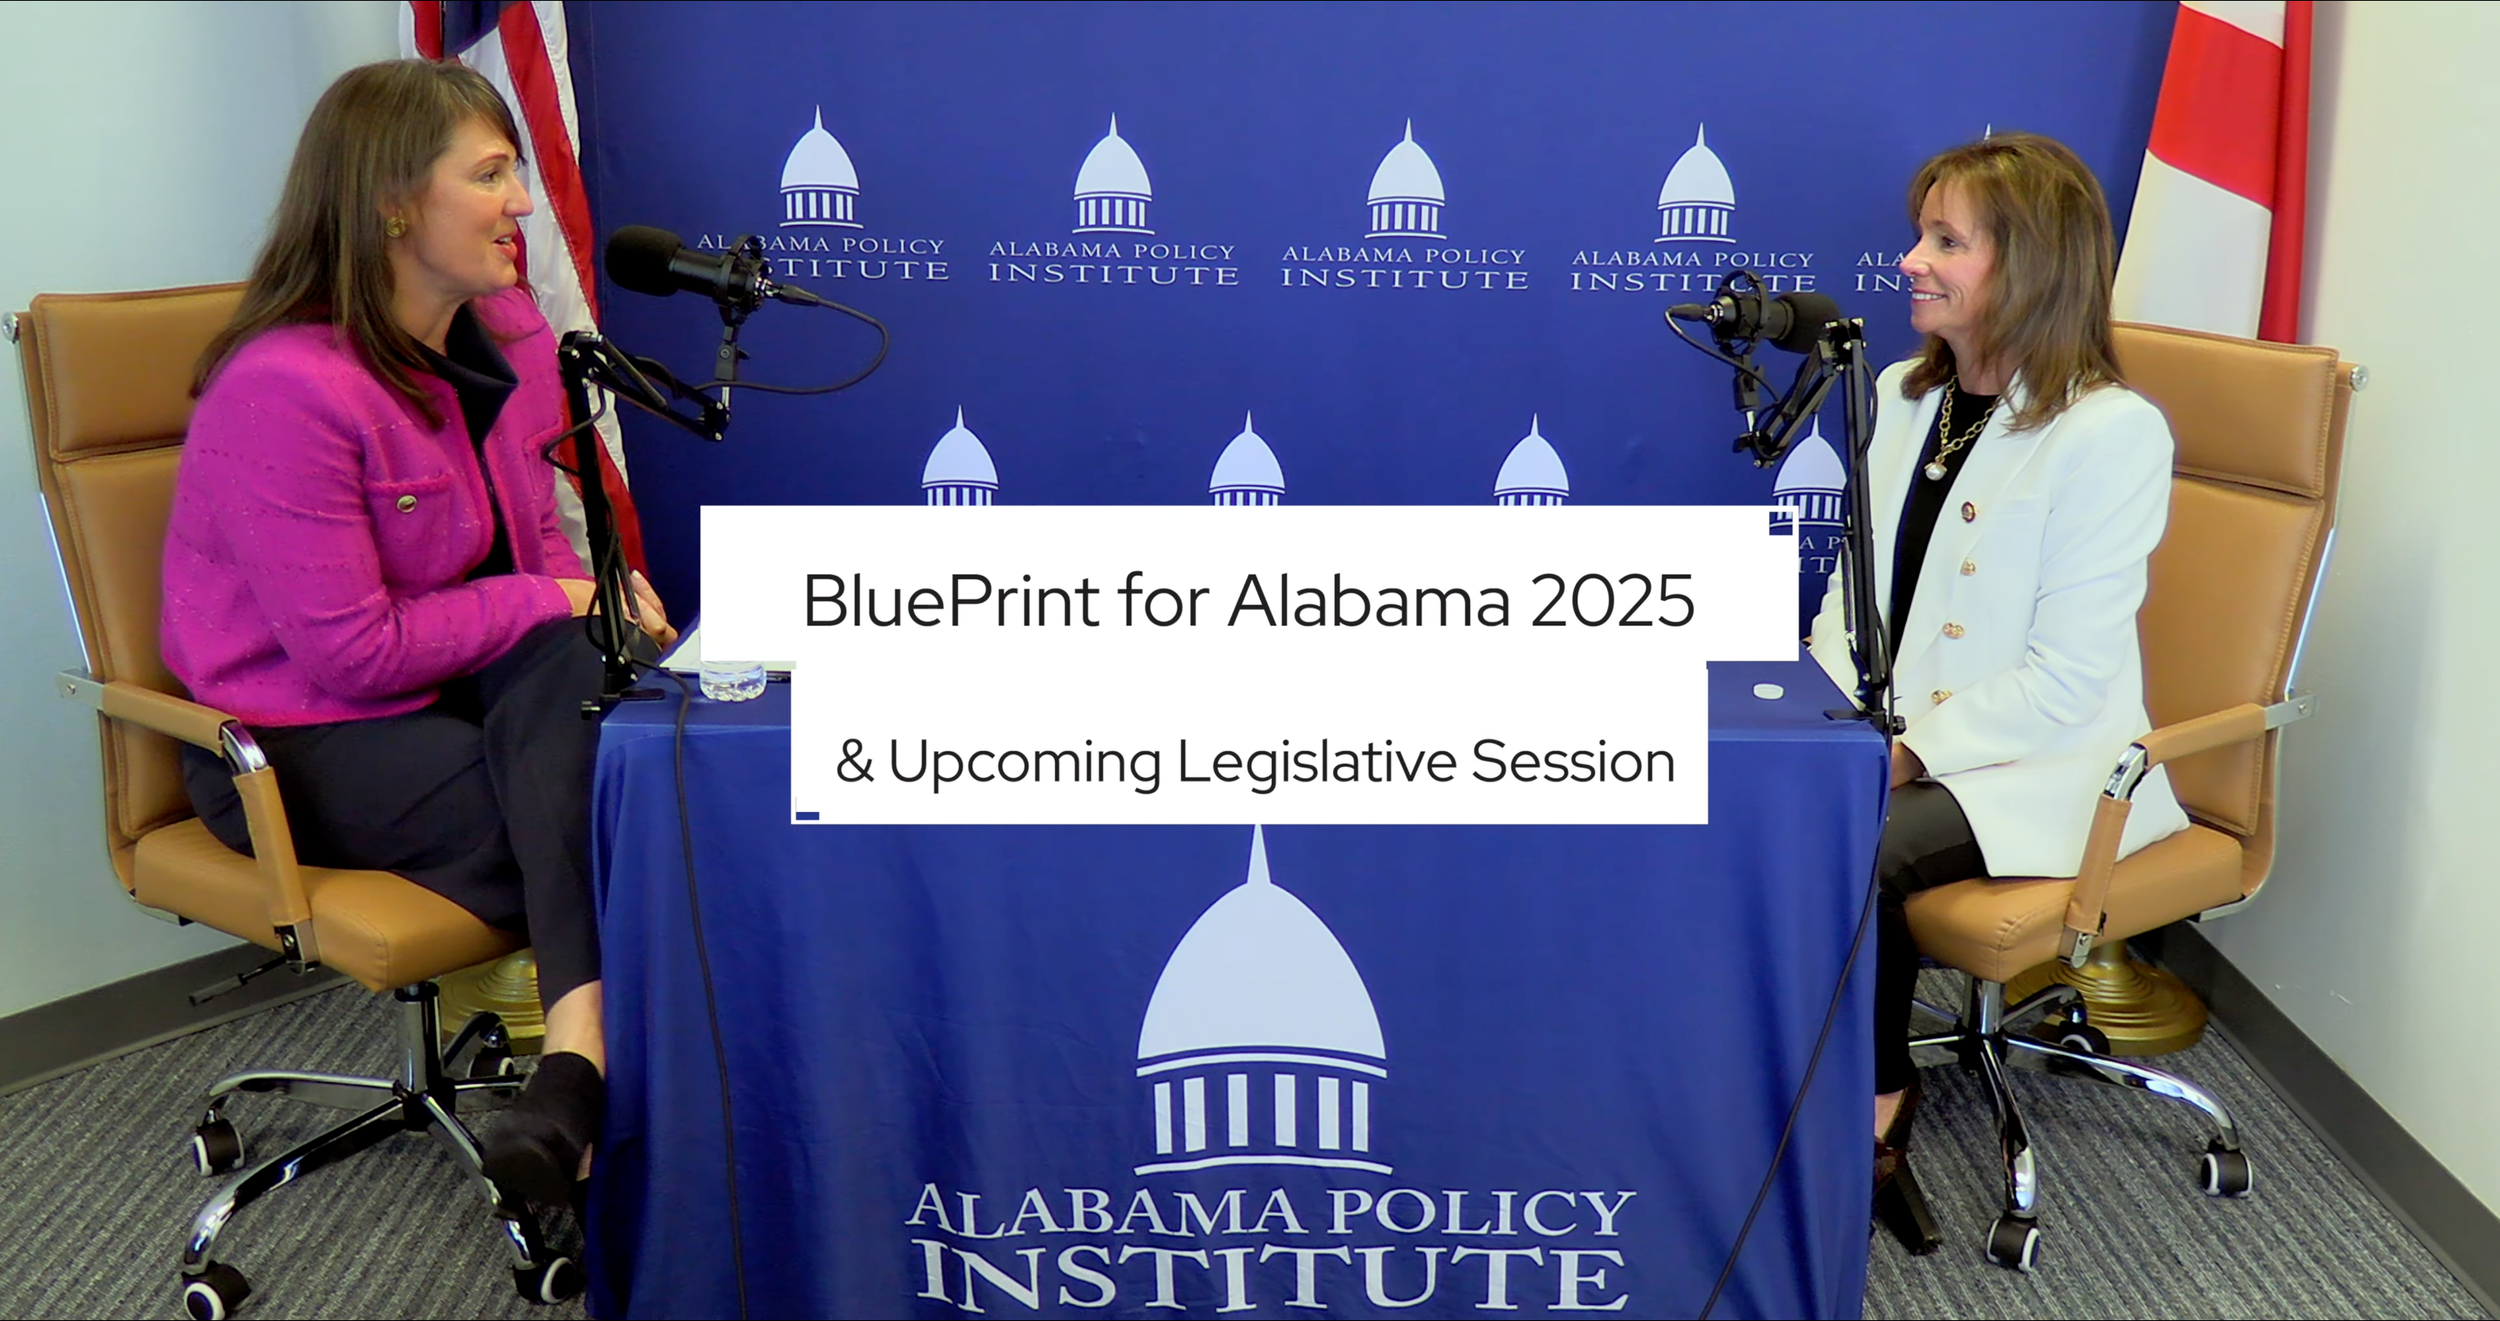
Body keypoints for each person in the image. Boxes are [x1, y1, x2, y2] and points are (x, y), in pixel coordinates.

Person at [162, 60, 673, 1208]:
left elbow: (533, 550)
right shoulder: (282, 387)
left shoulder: (507, 335)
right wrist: (553, 602)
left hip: (462, 688)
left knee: (611, 721)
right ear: (395, 200)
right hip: (295, 734)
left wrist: (584, 591)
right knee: (612, 810)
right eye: (490, 175)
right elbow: (352, 653)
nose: (526, 207)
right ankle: (616, 1084)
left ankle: (577, 1061)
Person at [1805, 132, 2193, 1246]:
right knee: (1791, 808)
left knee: (1859, 847)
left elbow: (2067, 679)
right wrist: (1826, 726)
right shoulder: (1899, 392)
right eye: (1917, 233)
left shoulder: (2110, 433)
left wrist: (1904, 753)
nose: (1907, 261)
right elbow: (1851, 601)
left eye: (1944, 240)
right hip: (1907, 735)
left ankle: (1878, 1113)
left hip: (2053, 764)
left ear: (2027, 264)